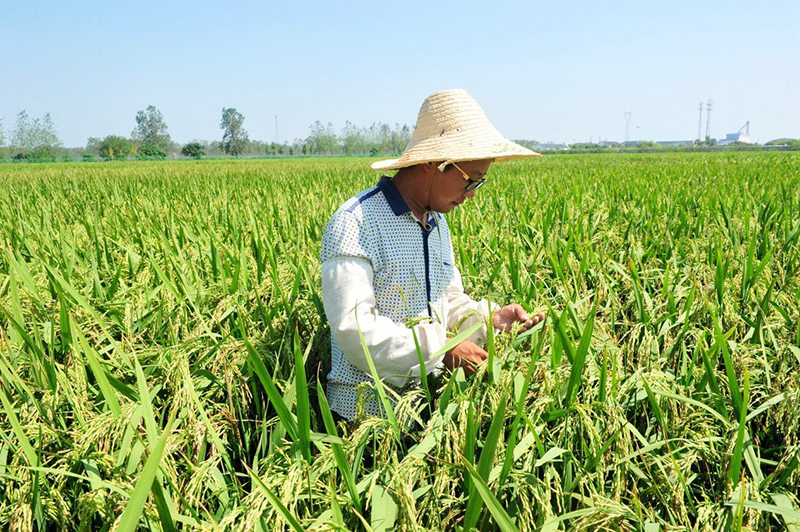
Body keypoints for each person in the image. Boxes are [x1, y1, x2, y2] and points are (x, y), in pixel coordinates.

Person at [320, 89, 545, 420]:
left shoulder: (437, 222)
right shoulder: (357, 222)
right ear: (431, 163)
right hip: (365, 415)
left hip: (429, 410)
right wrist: (443, 350)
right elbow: (355, 330)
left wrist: (490, 320)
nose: (471, 194)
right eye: (470, 180)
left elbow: (446, 301)